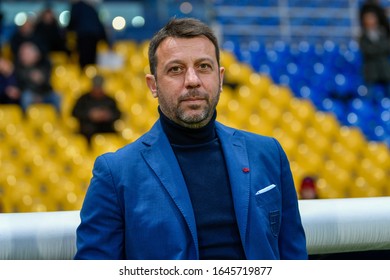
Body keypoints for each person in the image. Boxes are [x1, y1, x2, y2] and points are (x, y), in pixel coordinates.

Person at [75, 18, 307, 260]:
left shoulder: (268, 153)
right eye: (176, 69)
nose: (193, 80)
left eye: (204, 66)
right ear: (153, 85)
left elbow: (294, 255)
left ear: (220, 78)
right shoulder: (115, 173)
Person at [71, 74, 121, 143]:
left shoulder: (109, 100)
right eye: (96, 87)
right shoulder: (84, 99)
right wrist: (90, 114)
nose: (98, 90)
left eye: (99, 88)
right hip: (88, 132)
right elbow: (75, 112)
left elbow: (118, 114)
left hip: (106, 129)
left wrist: (108, 115)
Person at [14, 41, 61, 112]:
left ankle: (59, 119)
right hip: (30, 94)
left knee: (57, 96)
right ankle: (26, 119)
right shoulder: (18, 67)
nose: (23, 56)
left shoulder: (44, 64)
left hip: (44, 93)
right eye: (22, 54)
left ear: (35, 54)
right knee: (26, 96)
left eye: (27, 54)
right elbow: (20, 84)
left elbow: (48, 82)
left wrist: (41, 79)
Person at [67, 0, 110, 69]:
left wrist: (66, 31)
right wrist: (106, 40)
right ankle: (91, 73)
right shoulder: (90, 7)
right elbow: (99, 24)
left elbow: (72, 21)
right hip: (94, 37)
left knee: (84, 59)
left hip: (84, 36)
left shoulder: (76, 6)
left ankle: (85, 75)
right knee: (91, 58)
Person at [359, 10, 390, 101]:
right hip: (371, 71)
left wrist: (374, 48)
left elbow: (387, 47)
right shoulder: (363, 36)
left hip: (384, 70)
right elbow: (367, 51)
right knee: (369, 96)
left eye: (372, 18)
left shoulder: (382, 33)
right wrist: (379, 49)